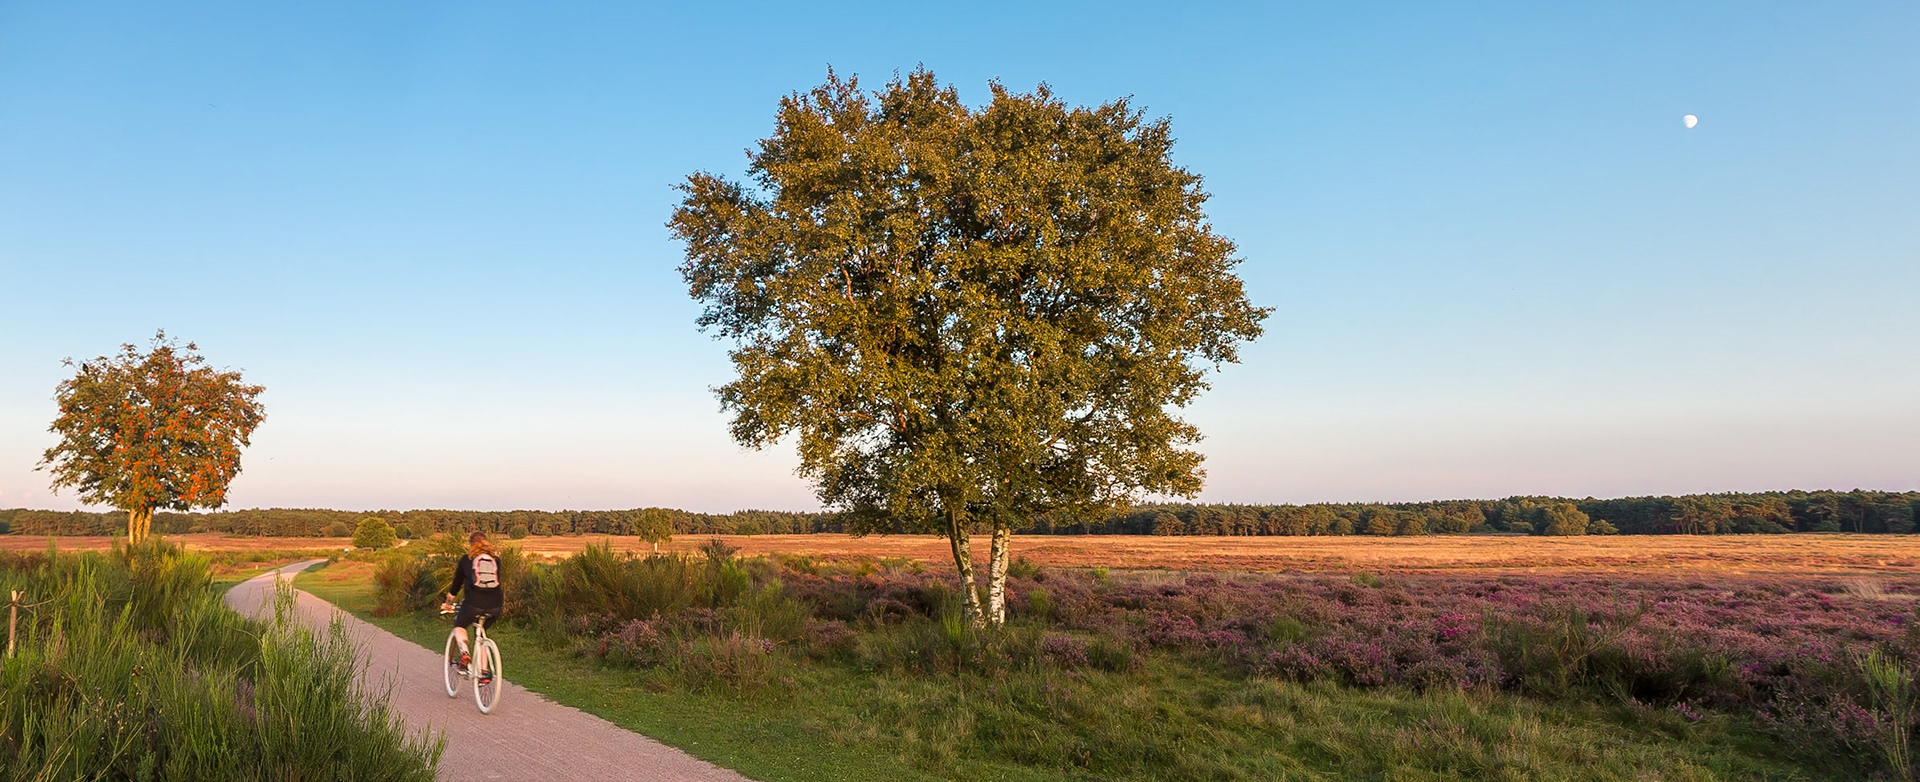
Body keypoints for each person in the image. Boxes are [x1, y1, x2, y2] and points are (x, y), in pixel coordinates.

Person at [442, 531, 504, 671]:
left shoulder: (466, 559)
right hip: (496, 606)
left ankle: (464, 653)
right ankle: (484, 671)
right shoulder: (496, 560)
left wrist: (448, 603)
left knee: (460, 625)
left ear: (470, 544)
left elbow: (456, 585)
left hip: (473, 604)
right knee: (481, 635)